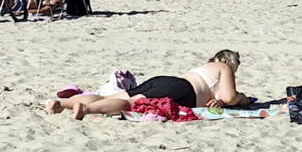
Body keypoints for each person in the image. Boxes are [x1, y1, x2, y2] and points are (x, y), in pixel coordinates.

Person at [44, 50, 249, 120]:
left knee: (112, 97)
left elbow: (219, 96)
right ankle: (86, 109)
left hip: (166, 81)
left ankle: (61, 103)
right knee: (131, 105)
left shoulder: (206, 67)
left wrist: (219, 101)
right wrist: (241, 98)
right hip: (182, 91)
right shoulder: (225, 68)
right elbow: (230, 97)